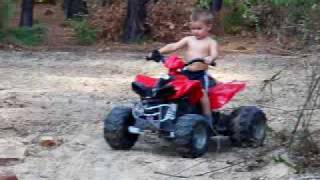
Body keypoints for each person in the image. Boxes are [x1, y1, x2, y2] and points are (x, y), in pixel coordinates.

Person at [148, 8, 218, 123]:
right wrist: (158, 52)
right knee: (170, 87)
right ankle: (168, 111)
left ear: (208, 27)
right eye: (193, 28)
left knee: (202, 93)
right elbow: (173, 46)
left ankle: (207, 117)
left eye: (199, 28)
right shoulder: (189, 40)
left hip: (199, 75)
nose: (195, 31)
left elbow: (214, 53)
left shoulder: (211, 42)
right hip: (186, 72)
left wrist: (210, 58)